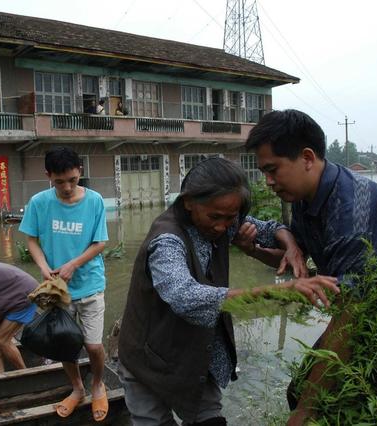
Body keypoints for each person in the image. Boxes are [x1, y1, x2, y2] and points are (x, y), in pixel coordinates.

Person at [245, 109, 377, 425]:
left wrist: (307, 409)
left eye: (273, 170)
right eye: (264, 172)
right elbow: (293, 263)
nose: (269, 181)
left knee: (351, 411)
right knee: (300, 392)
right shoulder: (305, 194)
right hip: (375, 306)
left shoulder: (350, 214)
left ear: (306, 157)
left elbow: (350, 317)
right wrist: (259, 245)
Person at [117, 157, 339, 425]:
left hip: (196, 356)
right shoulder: (167, 240)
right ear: (188, 202)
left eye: (231, 218)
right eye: (215, 217)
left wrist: (290, 245)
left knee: (210, 419)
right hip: (148, 359)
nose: (222, 227)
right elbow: (185, 296)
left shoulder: (223, 220)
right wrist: (279, 291)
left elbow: (271, 229)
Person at [19, 146, 110, 422]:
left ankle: (97, 384)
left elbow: (100, 242)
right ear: (48, 176)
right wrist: (44, 267)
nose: (67, 187)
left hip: (90, 285)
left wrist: (73, 264)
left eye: (72, 180)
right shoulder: (39, 203)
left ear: (80, 172)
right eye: (60, 182)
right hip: (58, 291)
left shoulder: (94, 201)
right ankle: (77, 388)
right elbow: (31, 239)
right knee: (64, 344)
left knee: (93, 346)